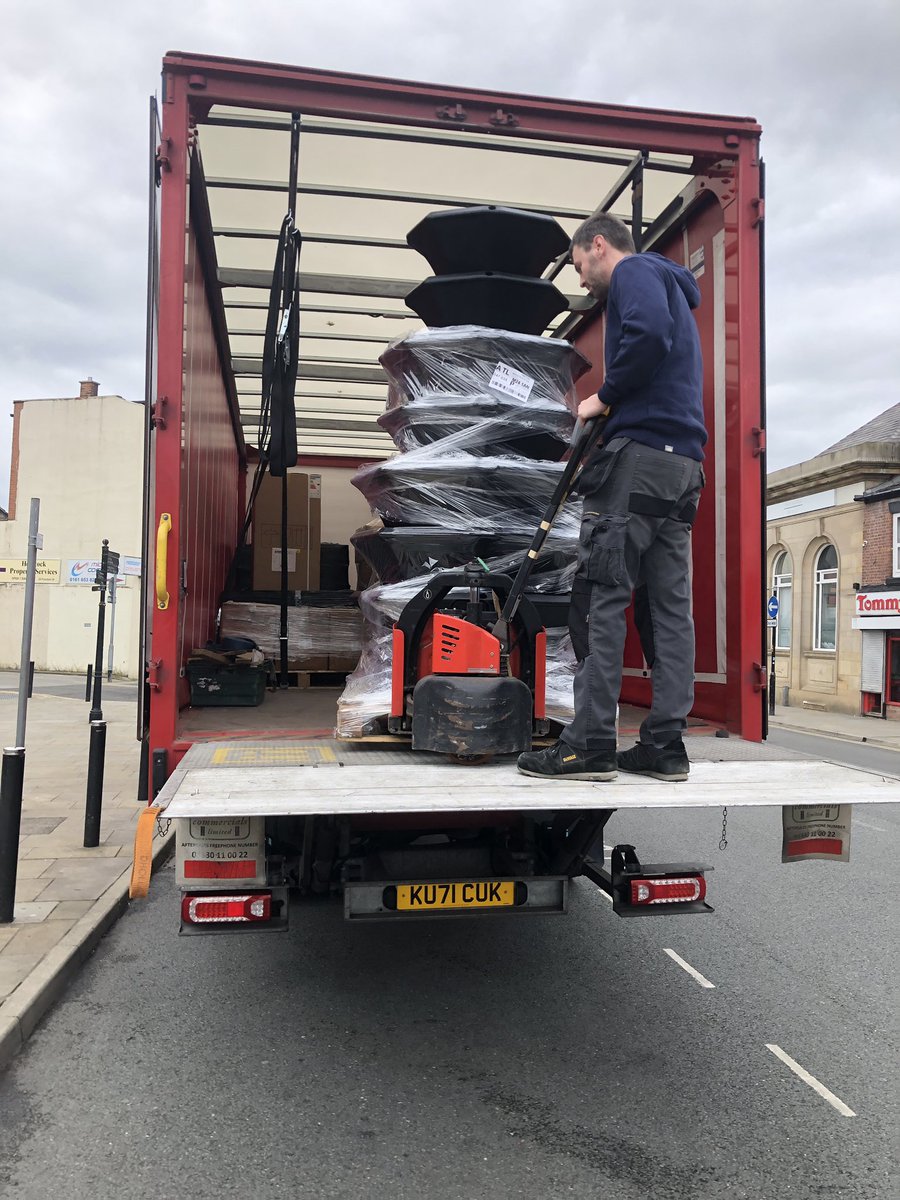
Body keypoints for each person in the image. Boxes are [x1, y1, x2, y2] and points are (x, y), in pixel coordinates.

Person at [517, 213, 706, 782]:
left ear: (598, 245)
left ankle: (590, 744)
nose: (581, 280)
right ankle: (665, 745)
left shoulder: (635, 273)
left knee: (601, 596)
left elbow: (646, 336)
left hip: (639, 460)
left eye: (578, 266)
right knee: (668, 609)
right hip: (682, 468)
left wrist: (602, 397)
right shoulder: (670, 284)